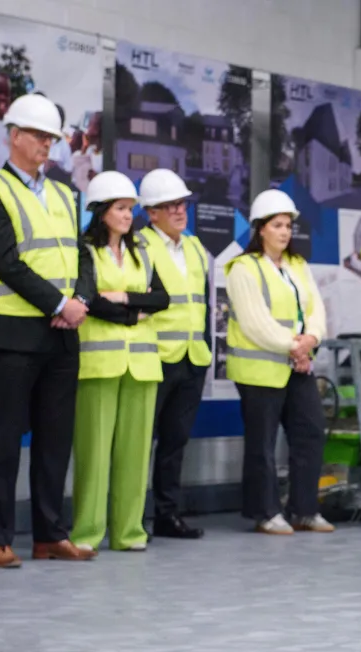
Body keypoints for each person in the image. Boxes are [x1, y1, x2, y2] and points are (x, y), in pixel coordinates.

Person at [0, 93, 93, 569]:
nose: (47, 145)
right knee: (4, 439)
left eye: (52, 138)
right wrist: (60, 303)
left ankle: (49, 535)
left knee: (55, 439)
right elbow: (6, 262)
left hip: (62, 333)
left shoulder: (65, 193)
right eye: (39, 136)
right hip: (16, 334)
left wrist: (78, 301)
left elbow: (81, 254)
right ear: (13, 136)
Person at [70, 171, 170, 552]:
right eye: (121, 208)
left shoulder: (142, 250)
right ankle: (87, 534)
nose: (129, 216)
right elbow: (90, 300)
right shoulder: (85, 250)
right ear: (100, 211)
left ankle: (130, 532)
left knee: (134, 453)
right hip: (99, 364)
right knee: (93, 454)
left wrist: (125, 298)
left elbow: (161, 298)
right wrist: (133, 310)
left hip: (142, 366)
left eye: (131, 209)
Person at [226, 189, 331, 535]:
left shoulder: (298, 266)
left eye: (288, 225)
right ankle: (265, 512)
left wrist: (312, 339)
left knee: (310, 432)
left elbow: (315, 309)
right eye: (277, 225)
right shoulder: (243, 268)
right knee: (263, 444)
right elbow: (255, 322)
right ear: (260, 229)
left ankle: (304, 510)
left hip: (296, 365)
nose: (285, 232)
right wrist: (294, 346)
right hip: (261, 370)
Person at [138, 168, 210, 539]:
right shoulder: (139, 247)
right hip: (155, 357)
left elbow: (205, 303)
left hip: (191, 357)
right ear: (151, 213)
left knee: (174, 443)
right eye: (170, 206)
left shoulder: (196, 247)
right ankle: (131, 518)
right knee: (139, 443)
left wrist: (206, 349)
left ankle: (167, 515)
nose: (180, 211)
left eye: (182, 203)